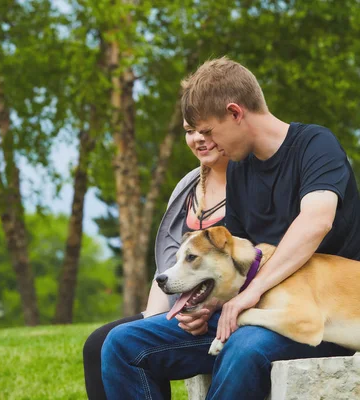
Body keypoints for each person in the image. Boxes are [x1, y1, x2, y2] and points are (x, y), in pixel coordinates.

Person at [100, 57, 358, 400]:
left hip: (315, 320)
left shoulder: (315, 146)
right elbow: (231, 260)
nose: (205, 143)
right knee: (123, 344)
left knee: (242, 348)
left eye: (207, 131)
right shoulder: (239, 169)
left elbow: (316, 221)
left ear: (236, 112)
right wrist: (209, 305)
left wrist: (249, 296)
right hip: (250, 313)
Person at [83, 119, 230, 400]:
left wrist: (208, 308)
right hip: (177, 305)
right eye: (189, 131)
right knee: (96, 344)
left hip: (214, 313)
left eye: (205, 129)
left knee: (127, 346)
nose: (198, 138)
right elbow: (168, 262)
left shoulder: (247, 184)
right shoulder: (188, 186)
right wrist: (153, 315)